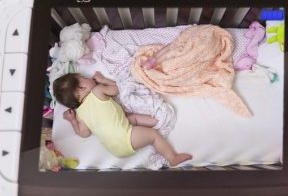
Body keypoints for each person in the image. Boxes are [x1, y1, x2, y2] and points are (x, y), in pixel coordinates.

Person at [52, 71, 192, 168]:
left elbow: (83, 133)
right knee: (154, 136)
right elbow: (118, 89)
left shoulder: (80, 114)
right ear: (82, 87)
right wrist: (103, 81)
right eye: (84, 77)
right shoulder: (97, 91)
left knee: (131, 119)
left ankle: (154, 122)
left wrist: (72, 120)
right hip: (126, 138)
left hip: (114, 148)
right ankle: (172, 158)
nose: (89, 78)